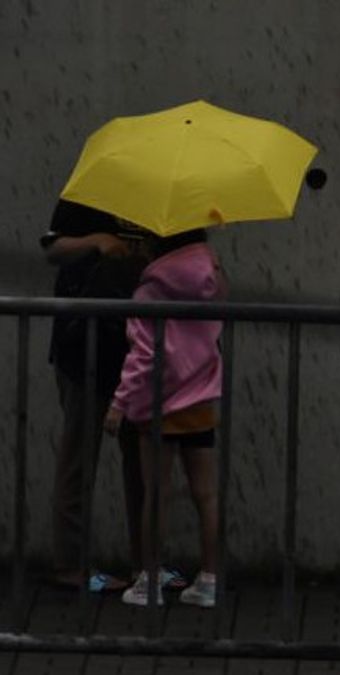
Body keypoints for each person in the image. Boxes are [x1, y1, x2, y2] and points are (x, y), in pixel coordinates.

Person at [103, 228, 226, 608]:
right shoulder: (214, 280)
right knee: (206, 495)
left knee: (155, 494)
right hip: (201, 400)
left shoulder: (149, 291)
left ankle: (150, 580)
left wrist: (118, 404)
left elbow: (143, 355)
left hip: (159, 406)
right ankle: (209, 580)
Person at [41, 200, 146, 593]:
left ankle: (145, 561)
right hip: (84, 344)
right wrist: (96, 241)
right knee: (79, 457)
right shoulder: (89, 188)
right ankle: (71, 563)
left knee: (144, 462)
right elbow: (52, 248)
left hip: (139, 349)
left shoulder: (163, 191)